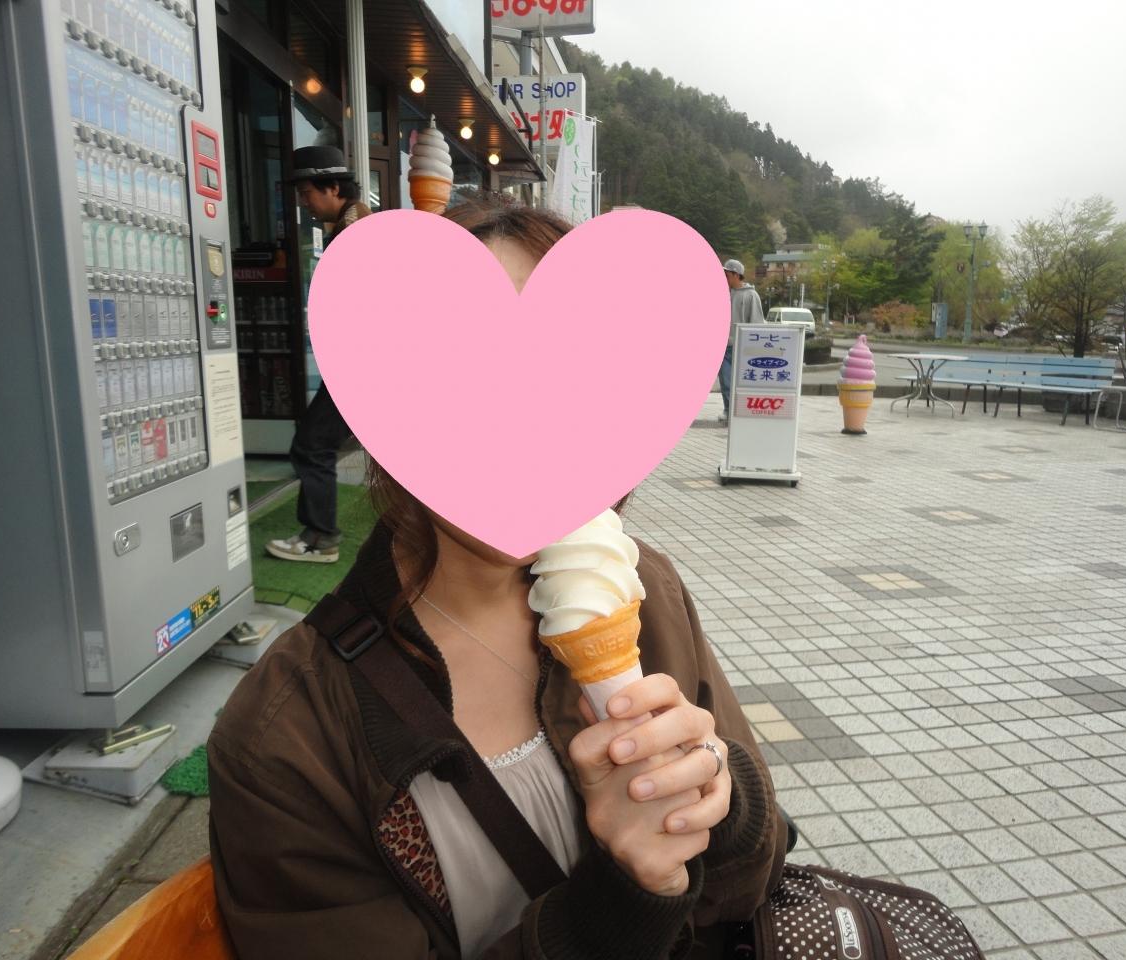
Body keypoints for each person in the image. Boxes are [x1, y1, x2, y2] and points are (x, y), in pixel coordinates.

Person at [209, 199, 784, 960]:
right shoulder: (289, 734)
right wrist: (619, 904)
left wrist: (725, 800)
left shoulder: (644, 589)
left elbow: (756, 878)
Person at [267, 145, 372, 564]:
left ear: (332, 187)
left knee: (312, 445)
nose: (303, 202)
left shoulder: (355, 231)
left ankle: (319, 538)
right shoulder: (354, 223)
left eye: (306, 192)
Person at [716, 259, 764, 421]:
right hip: (724, 347)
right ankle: (728, 410)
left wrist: (753, 347)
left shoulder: (751, 295)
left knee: (742, 382)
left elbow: (756, 323)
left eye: (727, 275)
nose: (724, 278)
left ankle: (740, 412)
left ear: (736, 275)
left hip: (743, 347)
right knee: (726, 381)